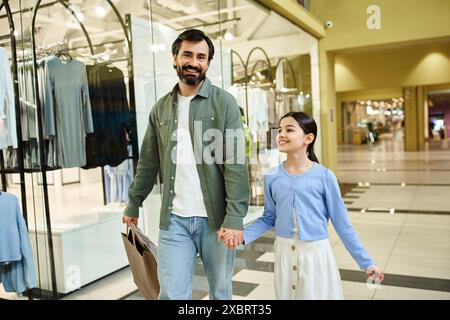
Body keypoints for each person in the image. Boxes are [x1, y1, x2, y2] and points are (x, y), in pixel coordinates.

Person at [122, 29, 250, 300]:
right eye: (187, 54)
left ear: (207, 63)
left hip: (216, 222)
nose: (194, 62)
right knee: (171, 294)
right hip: (174, 221)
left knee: (220, 292)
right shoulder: (161, 109)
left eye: (201, 57)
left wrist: (235, 216)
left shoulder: (224, 103)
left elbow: (236, 164)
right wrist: (134, 201)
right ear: (175, 58)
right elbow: (148, 161)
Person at [222, 112, 384, 299]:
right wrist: (241, 236)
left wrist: (366, 263)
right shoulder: (271, 176)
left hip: (315, 256)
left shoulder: (324, 177)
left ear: (308, 138)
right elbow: (268, 218)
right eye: (280, 130)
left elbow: (343, 225)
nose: (281, 134)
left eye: (289, 130)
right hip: (284, 254)